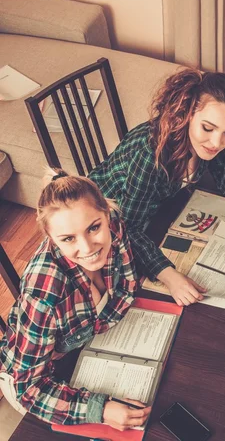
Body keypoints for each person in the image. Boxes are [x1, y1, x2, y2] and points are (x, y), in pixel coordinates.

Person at [0, 169, 150, 430]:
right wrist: (101, 409)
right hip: (40, 375)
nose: (88, 247)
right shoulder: (44, 291)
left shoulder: (113, 222)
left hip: (89, 347)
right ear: (51, 238)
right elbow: (28, 388)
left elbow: (127, 286)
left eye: (94, 228)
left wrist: (102, 327)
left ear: (106, 214)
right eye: (68, 239)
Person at [89, 69, 225, 307]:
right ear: (185, 115)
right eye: (208, 128)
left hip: (154, 210)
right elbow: (128, 227)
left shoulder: (208, 144)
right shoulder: (150, 153)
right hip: (105, 219)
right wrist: (169, 277)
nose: (216, 142)